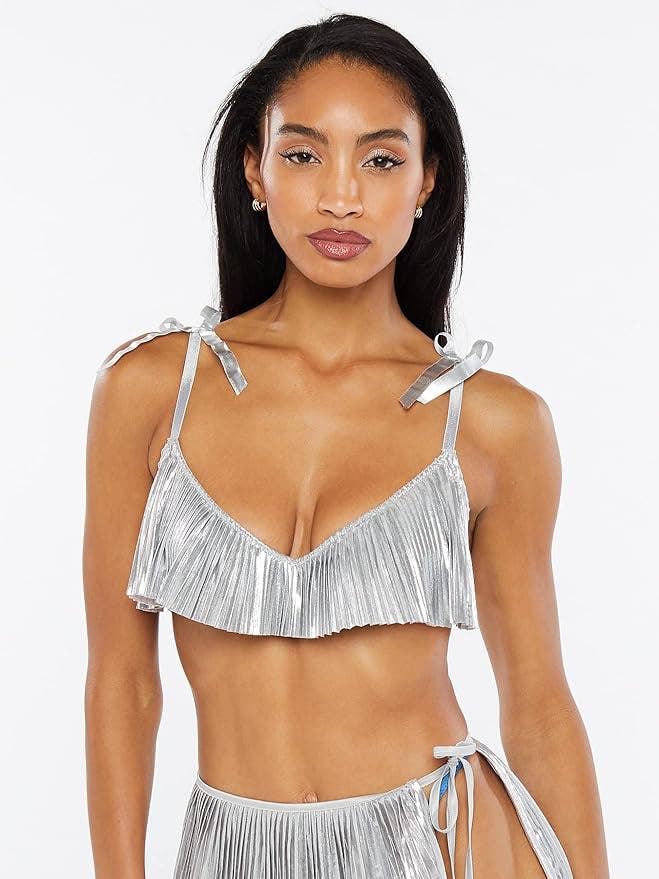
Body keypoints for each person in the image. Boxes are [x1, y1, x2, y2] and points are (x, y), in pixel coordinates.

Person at [83, 13, 609, 879]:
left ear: (427, 179)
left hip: (441, 848)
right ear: (253, 170)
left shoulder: (492, 422)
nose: (340, 197)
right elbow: (122, 681)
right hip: (231, 854)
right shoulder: (150, 391)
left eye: (381, 160)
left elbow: (540, 705)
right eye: (301, 154)